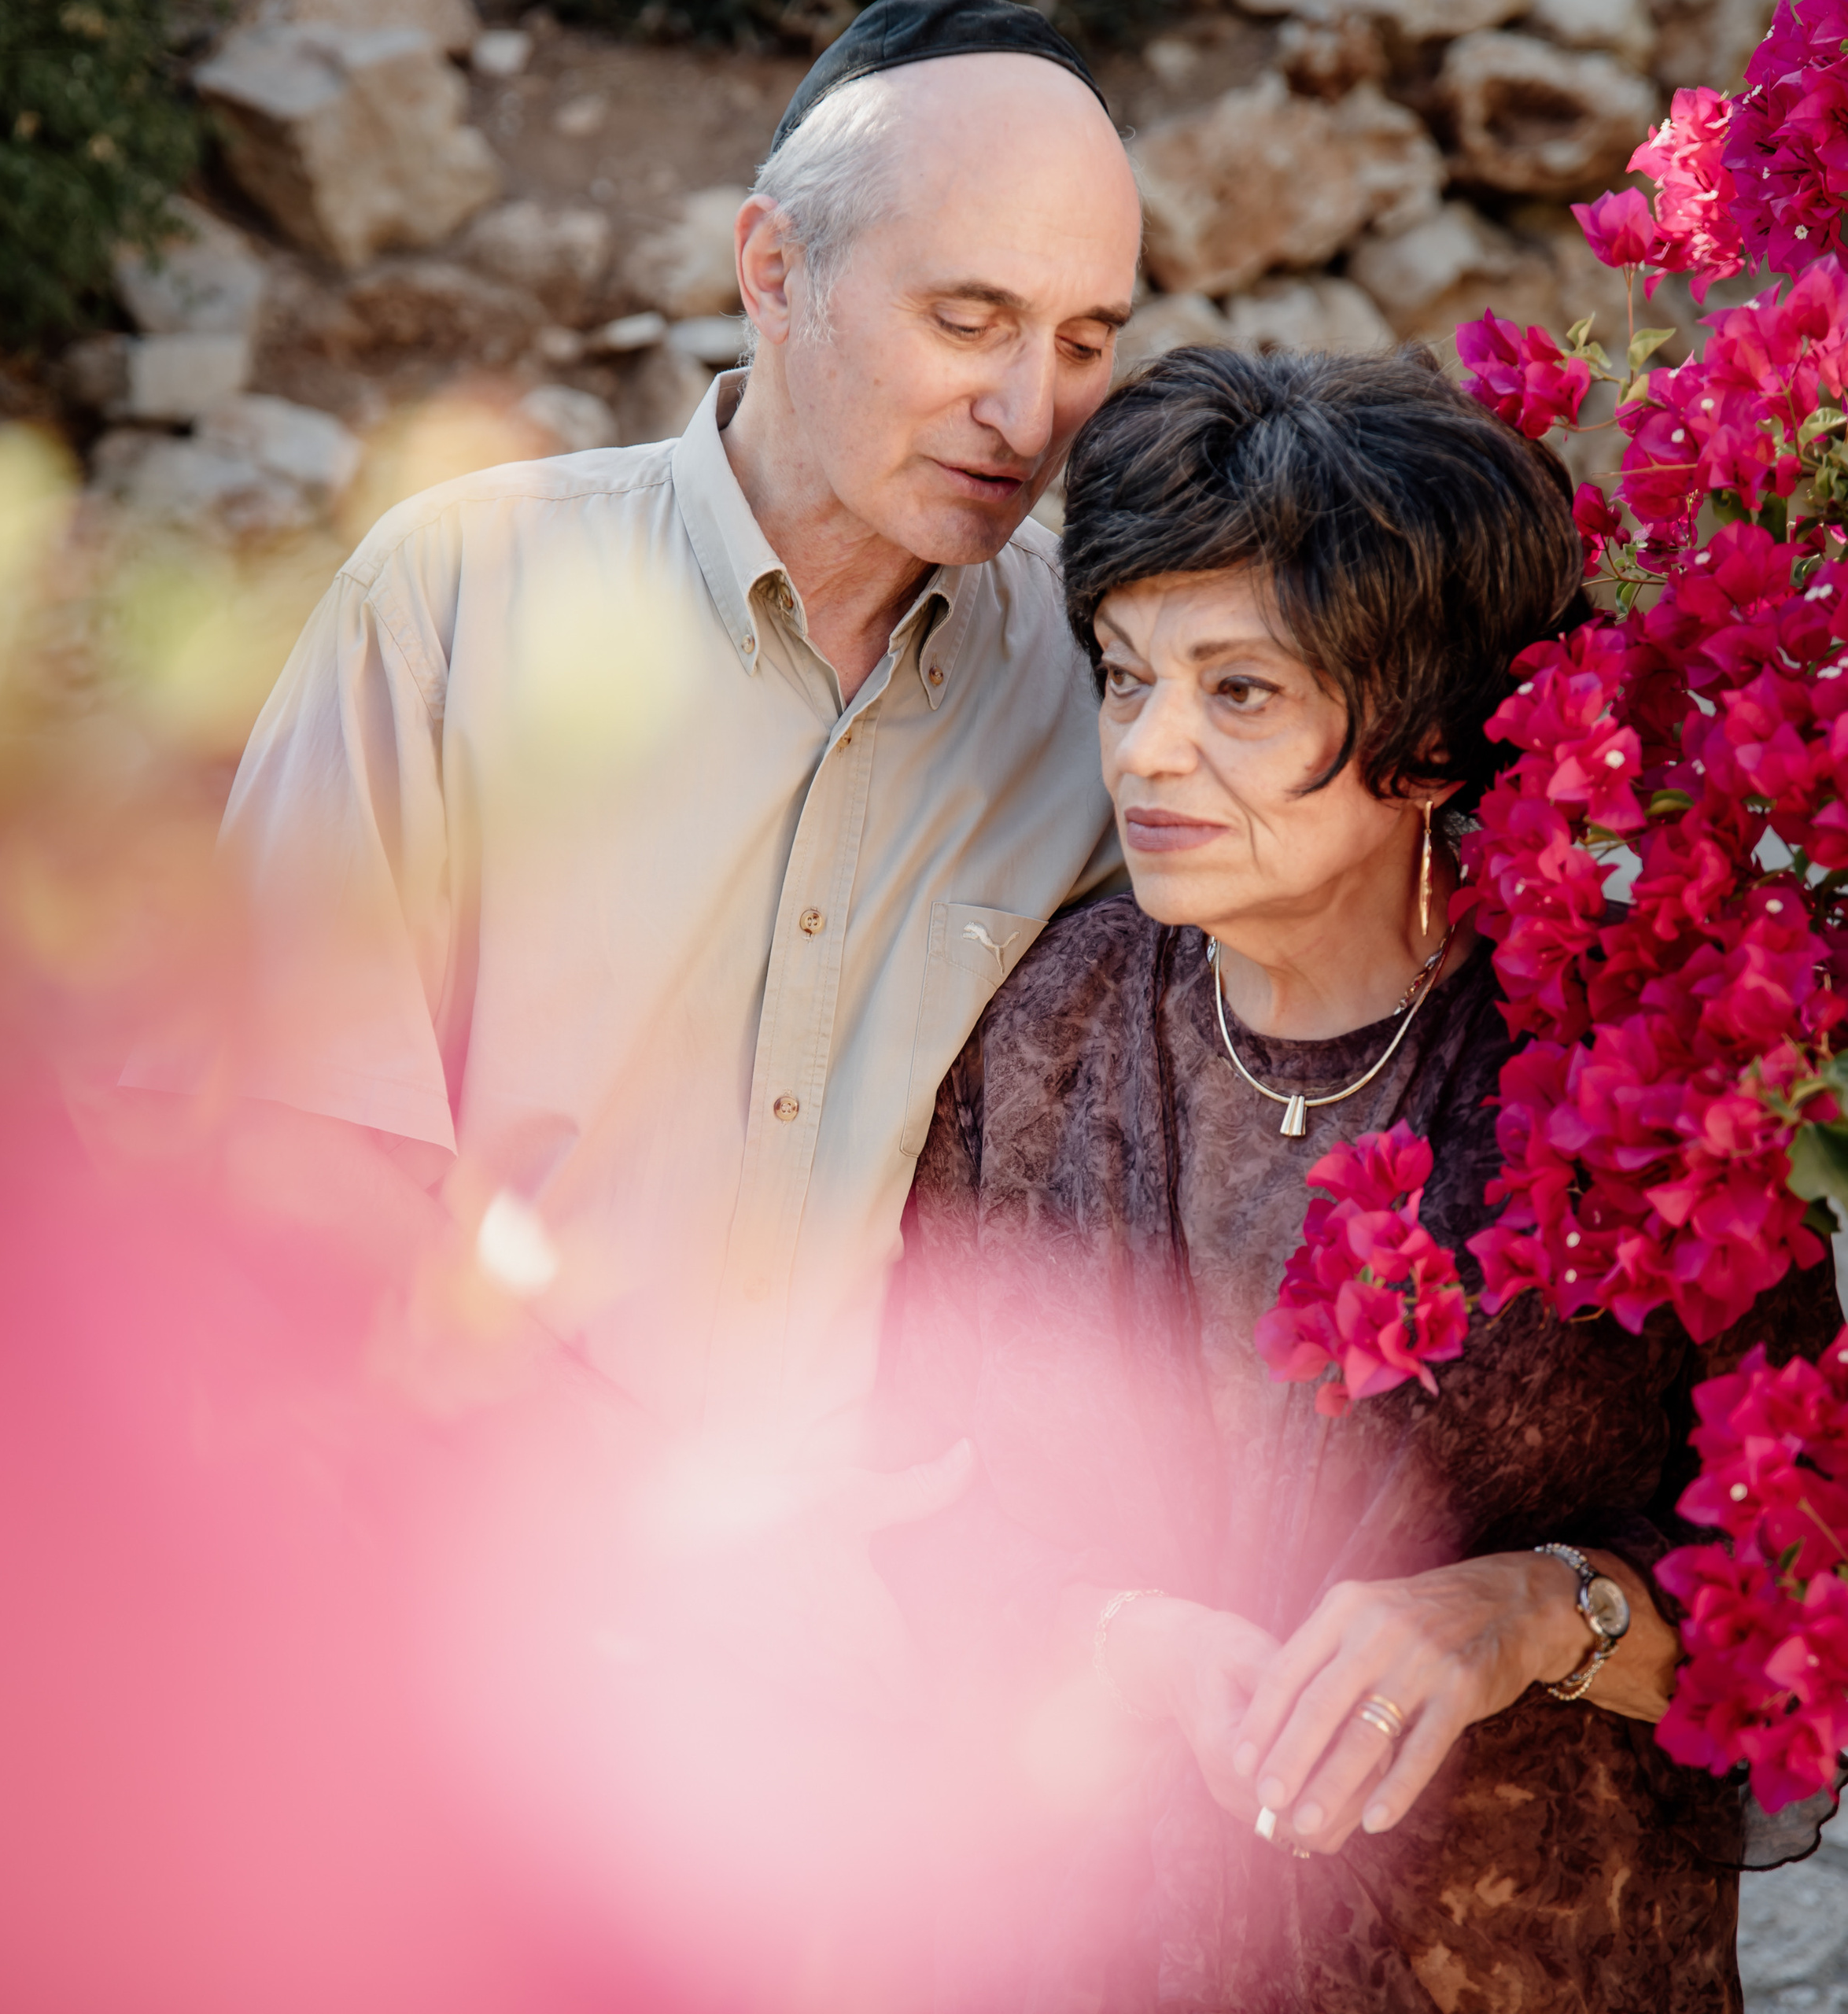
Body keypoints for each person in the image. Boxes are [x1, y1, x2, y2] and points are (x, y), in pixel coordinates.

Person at [882, 345, 1842, 2012]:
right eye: (1124, 677)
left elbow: (1795, 1604)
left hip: (1534, 1959)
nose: (1147, 751)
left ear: (1416, 742)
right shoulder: (1042, 1030)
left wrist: (1527, 1613)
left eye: (1236, 691)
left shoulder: (1640, 1075)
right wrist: (1123, 1636)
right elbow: (916, 1515)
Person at [128, 0, 1139, 1469]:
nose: (1027, 408)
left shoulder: (1098, 686)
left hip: (868, 1639)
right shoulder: (455, 597)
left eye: (1084, 340)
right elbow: (288, 1151)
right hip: (453, 1569)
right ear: (776, 271)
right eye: (968, 321)